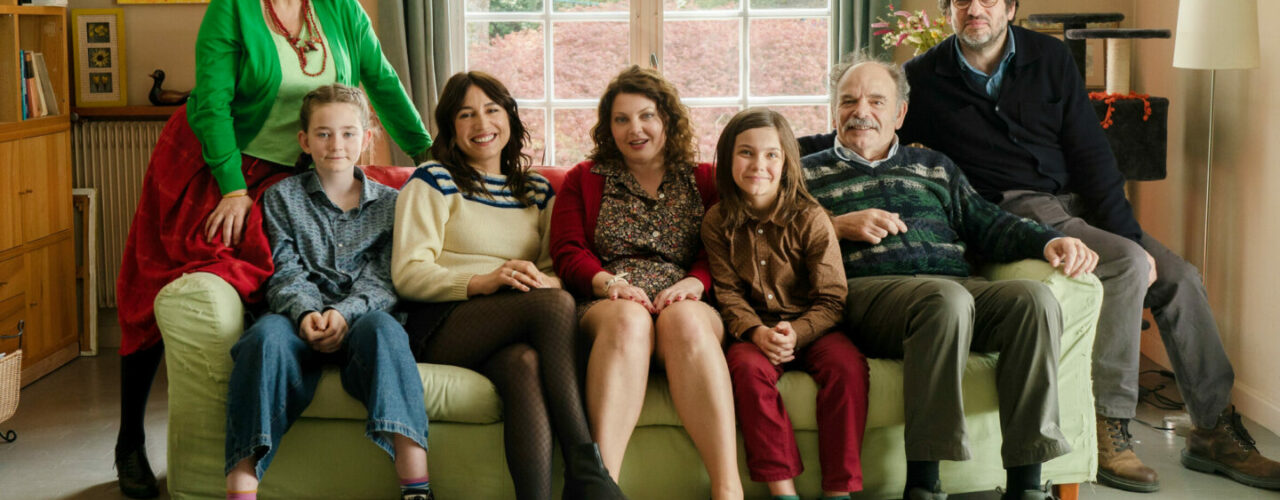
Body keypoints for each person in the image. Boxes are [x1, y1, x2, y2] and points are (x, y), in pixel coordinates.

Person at [877, 0, 1277, 492]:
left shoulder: (1050, 57)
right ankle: (1109, 427)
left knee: (1180, 277)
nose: (975, 8)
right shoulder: (922, 77)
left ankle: (1213, 430)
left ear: (1010, 8)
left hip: (1077, 202)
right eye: (962, 0)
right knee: (1127, 264)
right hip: (1013, 209)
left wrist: (1133, 237)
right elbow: (876, 135)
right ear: (948, 11)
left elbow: (1091, 152)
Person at [113, 1, 432, 496]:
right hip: (220, 165)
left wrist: (429, 157)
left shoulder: (342, 9)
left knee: (266, 286)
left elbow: (382, 80)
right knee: (163, 286)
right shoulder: (233, 9)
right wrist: (232, 188)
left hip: (295, 171)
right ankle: (129, 439)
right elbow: (212, 102)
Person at [801, 55, 1100, 500]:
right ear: (833, 111)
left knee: (1034, 301)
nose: (861, 111)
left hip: (954, 289)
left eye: (877, 101)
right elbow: (775, 235)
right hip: (868, 296)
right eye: (848, 101)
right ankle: (924, 483)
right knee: (943, 298)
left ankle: (1027, 484)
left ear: (900, 113)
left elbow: (989, 223)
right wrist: (834, 225)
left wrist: (1048, 241)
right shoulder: (805, 172)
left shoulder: (935, 167)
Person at [391, 71, 622, 500]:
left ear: (510, 118)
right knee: (553, 305)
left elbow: (554, 271)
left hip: (512, 322)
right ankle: (587, 469)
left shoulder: (536, 191)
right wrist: (482, 282)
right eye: (466, 114)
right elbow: (408, 273)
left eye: (492, 110)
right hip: (441, 322)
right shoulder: (433, 179)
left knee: (525, 364)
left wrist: (541, 280)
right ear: (451, 127)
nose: (482, 123)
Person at [223, 84, 431, 500]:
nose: (336, 144)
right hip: (295, 321)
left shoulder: (393, 204)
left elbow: (385, 277)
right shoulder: (280, 198)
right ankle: (241, 488)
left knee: (386, 330)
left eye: (348, 133)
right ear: (305, 141)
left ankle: (417, 487)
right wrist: (306, 314)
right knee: (262, 338)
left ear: (366, 138)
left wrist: (344, 314)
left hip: (364, 322)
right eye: (323, 133)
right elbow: (283, 271)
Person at [549, 66, 744, 500]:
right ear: (609, 127)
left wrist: (696, 282)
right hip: (610, 302)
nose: (634, 129)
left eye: (646, 116)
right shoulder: (585, 178)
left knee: (686, 320)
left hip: (687, 299)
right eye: (621, 119)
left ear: (667, 119)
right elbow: (567, 250)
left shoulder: (706, 178)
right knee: (629, 320)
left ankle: (727, 489)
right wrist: (608, 282)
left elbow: (723, 247)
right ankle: (602, 487)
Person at [702, 108, 870, 500]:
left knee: (847, 367)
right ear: (728, 159)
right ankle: (784, 491)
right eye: (746, 153)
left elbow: (832, 297)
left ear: (786, 162)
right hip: (755, 331)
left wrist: (796, 331)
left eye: (771, 154)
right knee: (745, 370)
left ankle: (839, 490)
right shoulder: (717, 222)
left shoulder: (811, 218)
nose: (758, 164)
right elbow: (728, 294)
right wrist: (756, 332)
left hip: (814, 326)